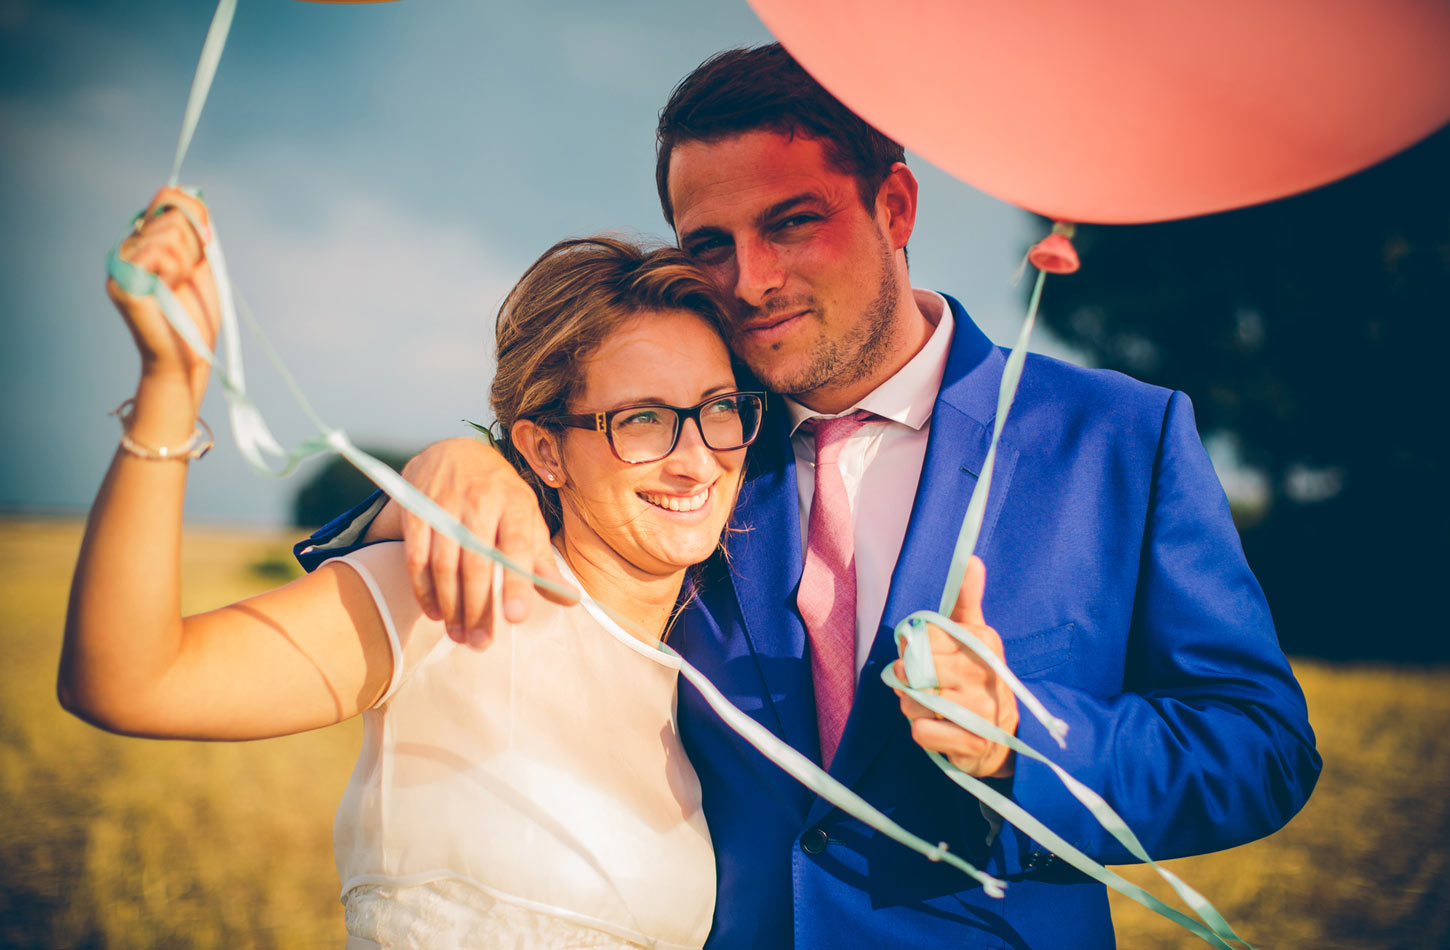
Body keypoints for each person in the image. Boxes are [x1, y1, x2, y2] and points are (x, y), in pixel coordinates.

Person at [298, 45, 1322, 949]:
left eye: (793, 223)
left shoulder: (1118, 437)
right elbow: (528, 500)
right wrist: (447, 467)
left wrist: (1023, 736)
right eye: (710, 244)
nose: (749, 280)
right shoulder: (688, 443)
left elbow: (1260, 747)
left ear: (895, 207)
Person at [60, 203, 767, 948]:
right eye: (644, 419)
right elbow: (128, 679)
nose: (696, 459)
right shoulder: (445, 600)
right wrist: (171, 384)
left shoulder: (703, 693)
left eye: (718, 408)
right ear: (545, 451)